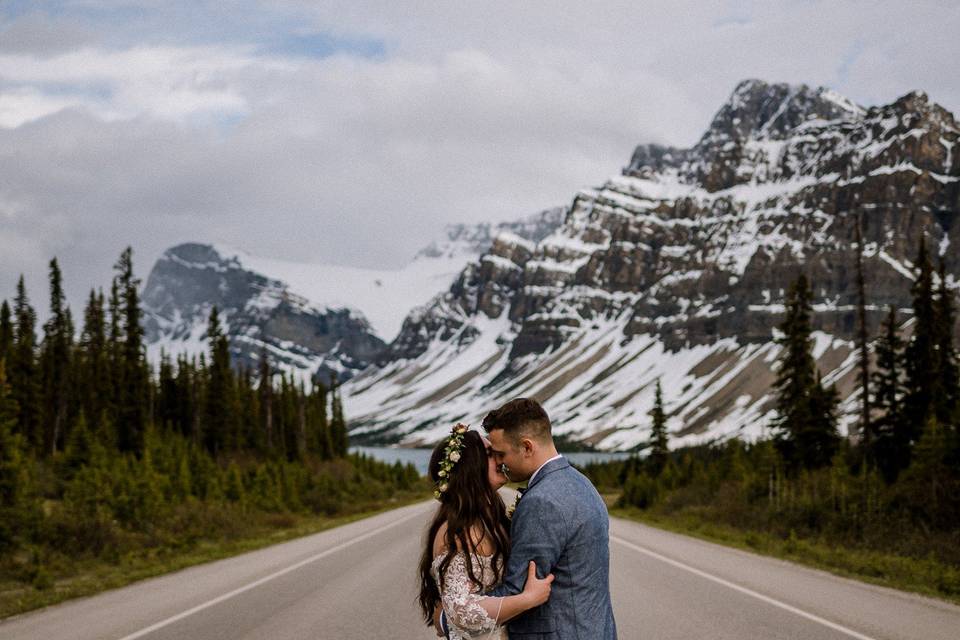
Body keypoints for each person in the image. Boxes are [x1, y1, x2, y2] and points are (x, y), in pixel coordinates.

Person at [483, 398, 618, 639]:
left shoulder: (540, 502)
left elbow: (517, 592)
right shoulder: (582, 483)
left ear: (527, 447)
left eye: (500, 454)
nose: (498, 463)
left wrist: (456, 609)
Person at [418, 424, 554, 639]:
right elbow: (461, 612)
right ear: (471, 467)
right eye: (491, 454)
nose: (501, 460)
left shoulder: (492, 520)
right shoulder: (455, 533)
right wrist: (528, 599)